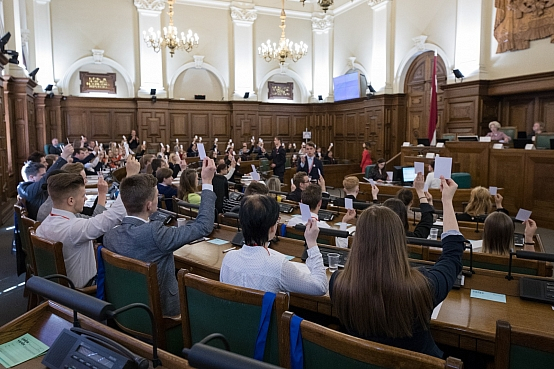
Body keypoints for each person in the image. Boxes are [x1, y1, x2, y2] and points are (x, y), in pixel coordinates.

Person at [330, 176, 464, 358]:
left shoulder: (337, 283)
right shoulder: (423, 286)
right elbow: (452, 254)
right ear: (399, 240)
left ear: (358, 241)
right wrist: (447, 201)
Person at [104, 159, 217, 316]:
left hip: (128, 309)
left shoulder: (110, 235)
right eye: (157, 196)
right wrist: (207, 182)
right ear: (149, 205)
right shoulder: (155, 233)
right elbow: (204, 226)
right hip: (166, 312)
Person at [36, 158, 141, 288]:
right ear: (71, 200)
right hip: (85, 292)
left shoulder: (43, 225)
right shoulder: (73, 229)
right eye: (83, 195)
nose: (85, 198)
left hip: (56, 290)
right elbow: (116, 215)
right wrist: (130, 176)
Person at [220, 194, 328, 296]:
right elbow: (320, 287)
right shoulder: (279, 266)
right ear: (272, 228)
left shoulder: (228, 258)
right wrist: (312, 243)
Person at [288, 184, 356, 248]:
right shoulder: (325, 228)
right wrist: (344, 222)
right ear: (320, 203)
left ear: (301, 202)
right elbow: (342, 246)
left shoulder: (291, 222)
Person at [17, 145, 74, 220]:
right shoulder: (26, 189)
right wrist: (63, 157)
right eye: (42, 175)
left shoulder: (34, 188)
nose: (45, 177)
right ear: (31, 177)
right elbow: (46, 178)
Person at [37, 163, 108, 222]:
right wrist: (102, 194)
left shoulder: (54, 203)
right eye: (82, 179)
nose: (86, 181)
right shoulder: (62, 208)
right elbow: (97, 224)